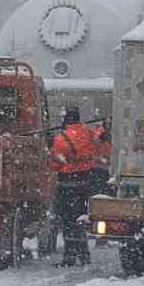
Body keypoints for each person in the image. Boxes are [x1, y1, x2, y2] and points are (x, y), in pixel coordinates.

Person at [50, 105, 98, 266]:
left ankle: (69, 258)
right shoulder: (88, 134)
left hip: (67, 185)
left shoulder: (61, 138)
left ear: (65, 120)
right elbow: (97, 143)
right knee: (81, 220)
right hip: (85, 183)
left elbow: (55, 164)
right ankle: (84, 256)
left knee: (68, 222)